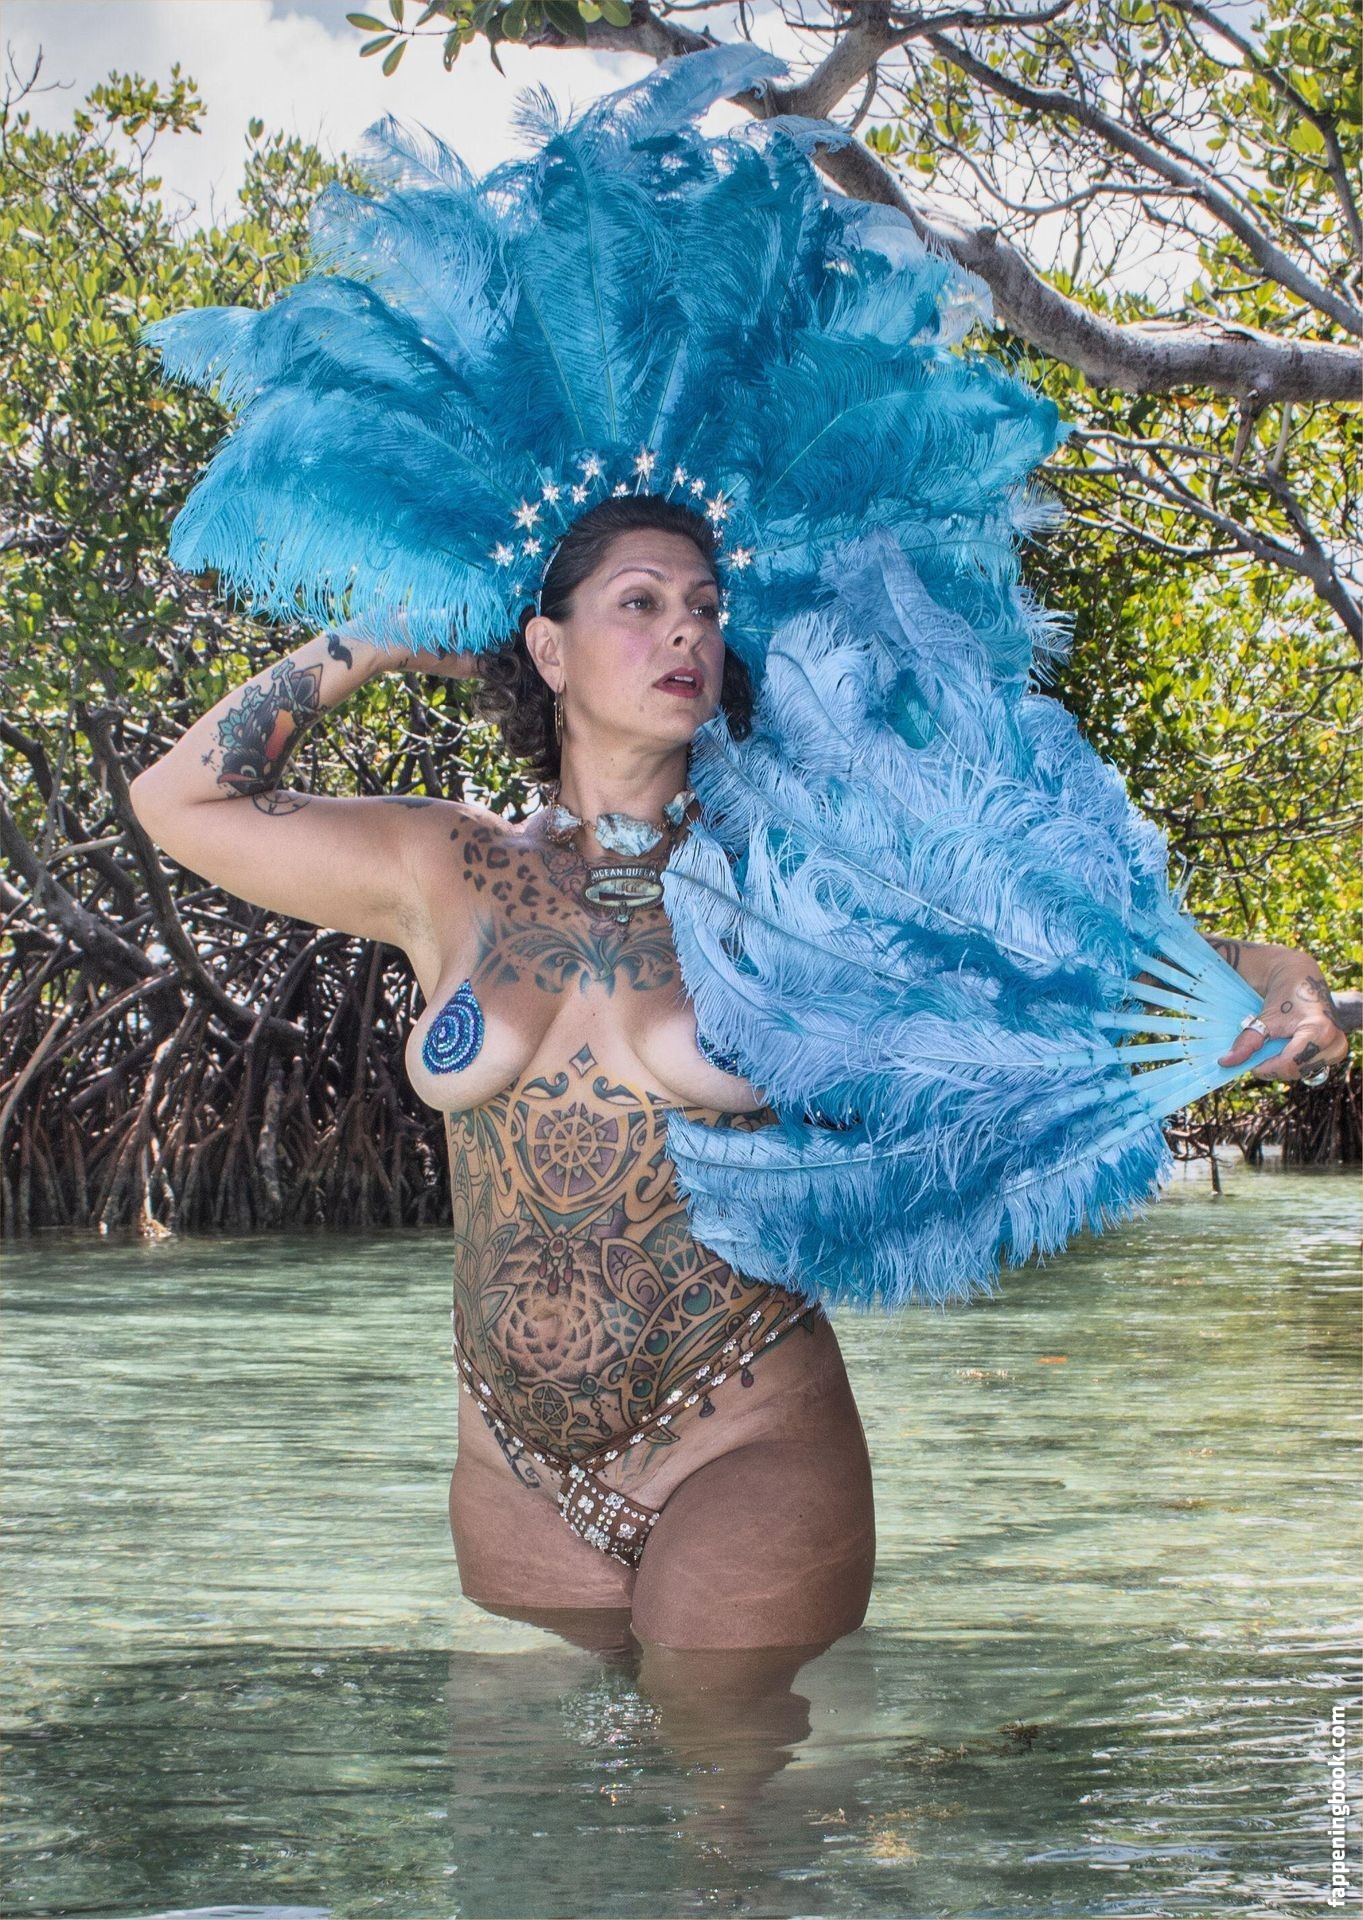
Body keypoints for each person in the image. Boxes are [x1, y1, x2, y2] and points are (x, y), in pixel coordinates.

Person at [128, 486, 1349, 1658]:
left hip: (741, 1436)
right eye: (641, 603)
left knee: (723, 1788)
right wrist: (386, 635)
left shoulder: (796, 872)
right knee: (536, 1800)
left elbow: (1067, 951)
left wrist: (1278, 975)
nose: (686, 633)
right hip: (510, 1467)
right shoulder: (445, 866)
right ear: (548, 650)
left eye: (706, 608)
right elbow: (180, 799)